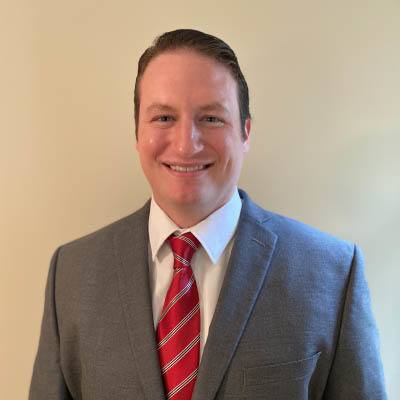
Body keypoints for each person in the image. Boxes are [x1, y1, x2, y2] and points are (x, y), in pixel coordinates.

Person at [29, 29, 387, 400]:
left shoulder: (332, 273)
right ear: (137, 132)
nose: (186, 144)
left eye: (212, 119)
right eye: (164, 117)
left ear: (245, 133)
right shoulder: (71, 274)